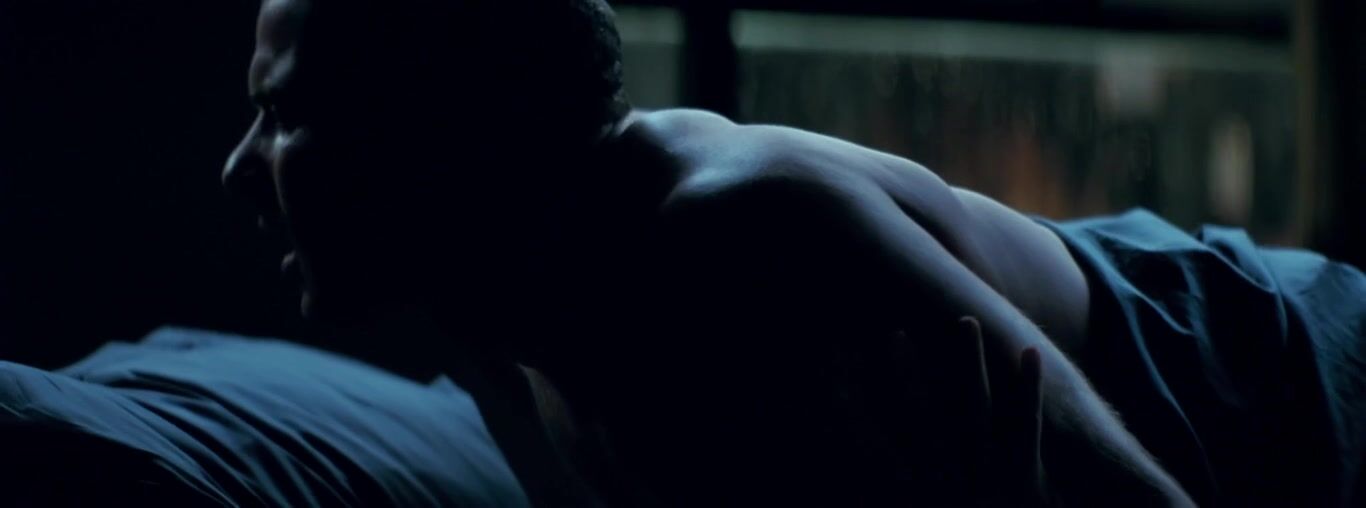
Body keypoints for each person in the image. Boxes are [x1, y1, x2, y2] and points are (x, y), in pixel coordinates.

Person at [222, 0, 1365, 506]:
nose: (239, 170)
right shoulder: (497, 329)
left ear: (435, 132)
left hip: (1288, 373)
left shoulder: (742, 226)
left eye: (282, 116)